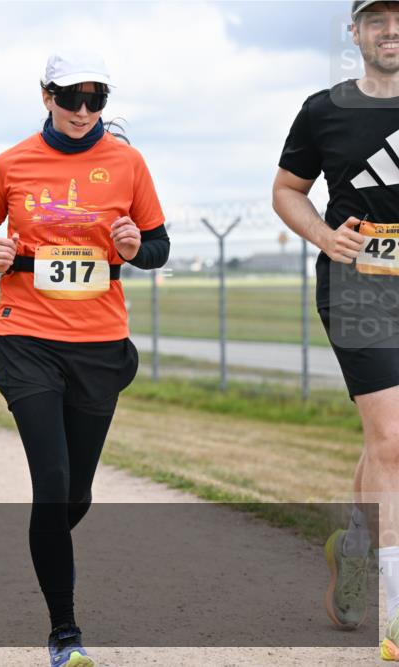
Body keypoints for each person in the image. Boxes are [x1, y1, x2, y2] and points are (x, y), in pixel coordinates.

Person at [0, 52, 169, 667]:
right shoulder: (12, 163)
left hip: (100, 343)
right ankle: (64, 631)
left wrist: (135, 246)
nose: (82, 110)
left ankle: (47, 543)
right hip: (25, 336)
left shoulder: (129, 162)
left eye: (95, 99)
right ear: (46, 95)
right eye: (70, 97)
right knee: (51, 484)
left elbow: (158, 246)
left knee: (75, 494)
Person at [272, 1, 399, 659]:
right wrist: (324, 236)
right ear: (355, 32)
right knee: (394, 438)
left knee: (387, 440)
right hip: (358, 285)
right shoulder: (325, 110)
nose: (391, 29)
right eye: (377, 19)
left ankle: (355, 544)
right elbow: (287, 189)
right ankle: (396, 616)